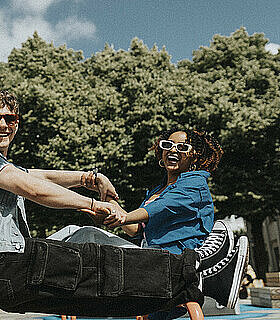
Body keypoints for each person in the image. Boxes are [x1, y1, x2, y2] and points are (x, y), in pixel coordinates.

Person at [0, 90, 248, 318]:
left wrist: (91, 178)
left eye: (10, 119)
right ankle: (199, 270)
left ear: (18, 123)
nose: (3, 125)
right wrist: (93, 205)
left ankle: (189, 284)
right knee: (88, 258)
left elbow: (41, 176)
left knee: (92, 295)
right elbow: (31, 187)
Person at [102, 130, 244, 316]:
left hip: (175, 261)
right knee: (84, 234)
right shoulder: (157, 190)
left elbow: (161, 208)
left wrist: (123, 216)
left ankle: (208, 273)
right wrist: (106, 201)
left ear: (195, 155)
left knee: (85, 236)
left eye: (182, 147)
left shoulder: (195, 183)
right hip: (150, 258)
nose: (173, 150)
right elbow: (134, 229)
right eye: (167, 145)